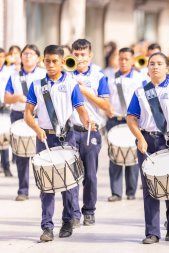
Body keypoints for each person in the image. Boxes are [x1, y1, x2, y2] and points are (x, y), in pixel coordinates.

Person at [24, 45, 90, 241]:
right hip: (45, 137)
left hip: (66, 136)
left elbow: (81, 109)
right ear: (43, 62)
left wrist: (87, 122)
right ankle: (47, 227)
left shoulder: (71, 84)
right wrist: (37, 130)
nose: (51, 65)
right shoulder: (36, 85)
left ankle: (68, 220)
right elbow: (28, 113)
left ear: (62, 62)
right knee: (47, 184)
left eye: (54, 61)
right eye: (47, 61)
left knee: (69, 183)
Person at [127, 52, 169, 244]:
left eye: (159, 64)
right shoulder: (140, 91)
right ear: (147, 68)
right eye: (152, 64)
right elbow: (131, 118)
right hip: (148, 141)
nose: (155, 67)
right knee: (149, 187)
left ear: (166, 67)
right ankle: (152, 232)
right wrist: (139, 138)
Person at [70, 39, 110, 227]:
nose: (79, 58)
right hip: (70, 130)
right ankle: (73, 213)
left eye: (83, 54)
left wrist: (84, 91)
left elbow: (105, 105)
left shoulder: (99, 75)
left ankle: (89, 210)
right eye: (76, 54)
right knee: (70, 174)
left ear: (90, 55)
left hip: (91, 131)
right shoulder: (66, 73)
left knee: (90, 175)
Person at [4, 44, 46, 198]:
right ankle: (23, 190)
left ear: (37, 57)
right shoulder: (14, 76)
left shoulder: (43, 74)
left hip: (38, 117)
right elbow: (6, 98)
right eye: (25, 54)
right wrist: (17, 98)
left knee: (40, 154)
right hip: (18, 115)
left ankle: (44, 188)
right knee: (21, 155)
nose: (28, 56)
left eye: (31, 54)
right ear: (21, 57)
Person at [106, 47, 145, 202]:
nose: (123, 62)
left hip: (133, 121)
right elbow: (104, 96)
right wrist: (106, 109)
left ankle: (131, 191)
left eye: (126, 59)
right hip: (115, 120)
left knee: (133, 155)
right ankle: (116, 192)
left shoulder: (141, 78)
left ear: (133, 60)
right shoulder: (109, 77)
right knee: (114, 155)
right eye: (120, 58)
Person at [0, 47, 13, 177]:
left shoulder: (9, 72)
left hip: (4, 107)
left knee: (4, 138)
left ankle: (6, 166)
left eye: (2, 57)